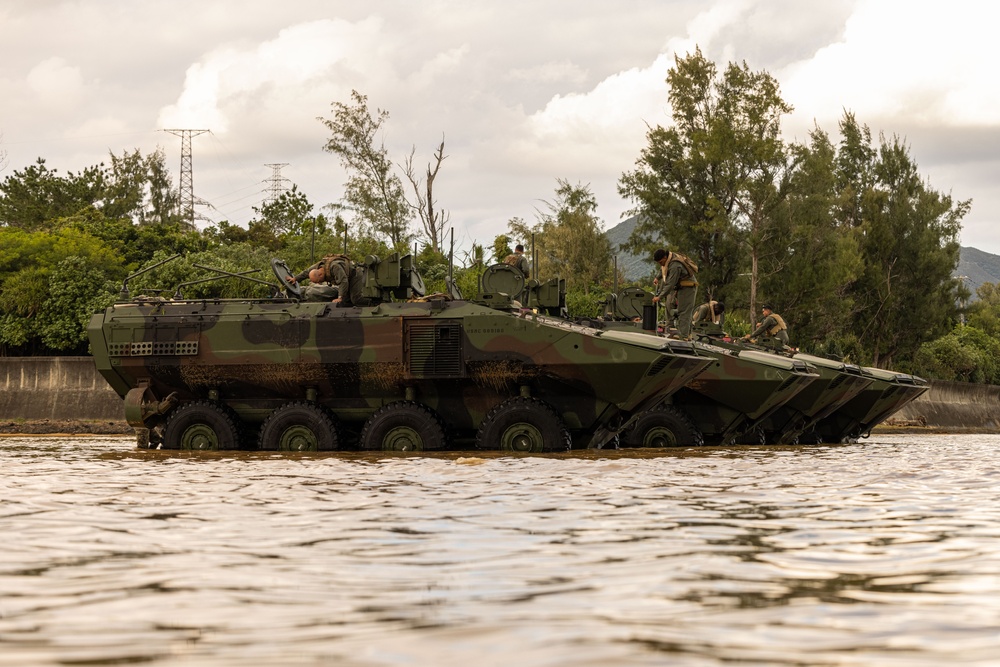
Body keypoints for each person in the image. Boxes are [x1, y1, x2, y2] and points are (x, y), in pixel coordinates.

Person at [287, 254, 369, 307]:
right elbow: (305, 273)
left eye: (318, 281)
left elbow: (343, 281)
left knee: (356, 299)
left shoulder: (334, 267)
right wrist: (295, 279)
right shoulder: (316, 268)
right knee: (346, 301)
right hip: (346, 278)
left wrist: (340, 297)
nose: (318, 283)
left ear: (320, 274)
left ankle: (376, 303)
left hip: (355, 275)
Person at [651, 248, 699, 338]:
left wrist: (659, 296)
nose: (661, 264)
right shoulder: (670, 258)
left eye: (661, 262)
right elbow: (663, 268)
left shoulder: (675, 265)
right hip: (681, 288)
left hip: (688, 287)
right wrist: (657, 277)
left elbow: (670, 284)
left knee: (684, 312)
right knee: (676, 308)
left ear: (665, 257)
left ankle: (684, 336)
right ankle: (684, 334)